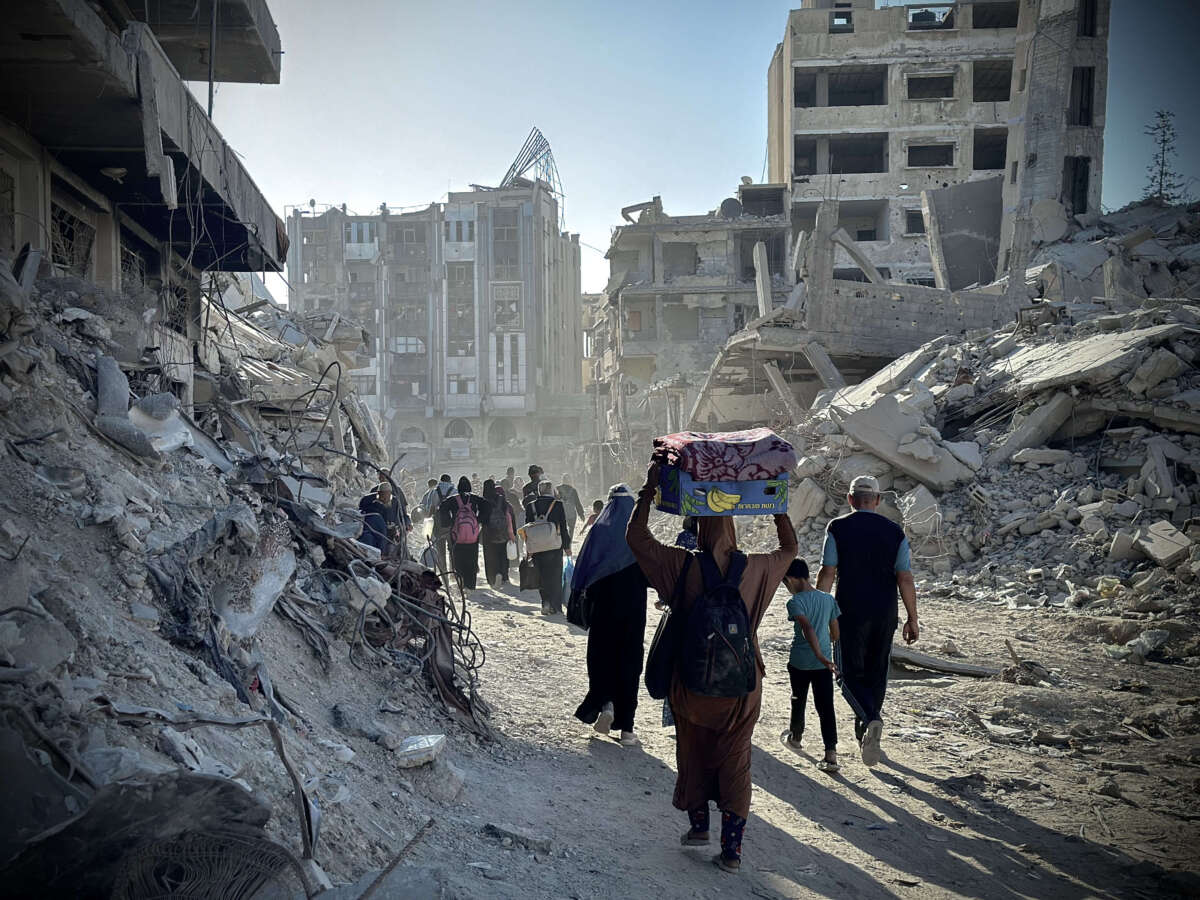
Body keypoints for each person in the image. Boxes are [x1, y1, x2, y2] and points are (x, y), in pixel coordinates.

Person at [627, 462, 797, 875]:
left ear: (700, 527)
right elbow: (789, 551)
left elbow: (636, 538)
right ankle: (732, 851)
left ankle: (699, 827)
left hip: (692, 684)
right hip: (742, 686)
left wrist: (649, 490)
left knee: (693, 750)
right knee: (736, 760)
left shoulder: (681, 565)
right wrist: (776, 505)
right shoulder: (757, 568)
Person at [816, 475, 919, 768]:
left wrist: (819, 608)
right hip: (885, 611)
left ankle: (871, 719)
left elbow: (827, 572)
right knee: (876, 674)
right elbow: (905, 577)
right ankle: (867, 732)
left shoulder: (837, 527)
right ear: (877, 500)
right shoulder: (895, 532)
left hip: (849, 610)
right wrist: (913, 618)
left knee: (847, 675)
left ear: (850, 499)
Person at [570, 485, 649, 746]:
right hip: (634, 611)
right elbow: (653, 570)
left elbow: (584, 569)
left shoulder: (600, 531)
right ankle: (627, 729)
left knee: (603, 659)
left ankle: (605, 704)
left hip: (603, 610)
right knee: (629, 662)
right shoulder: (638, 534)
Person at [781, 559, 840, 772]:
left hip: (800, 662)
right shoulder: (827, 599)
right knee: (826, 706)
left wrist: (817, 653)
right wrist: (824, 654)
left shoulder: (795, 602)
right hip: (823, 664)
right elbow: (835, 630)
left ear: (790, 579)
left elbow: (807, 628)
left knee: (798, 699)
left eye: (785, 584)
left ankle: (796, 737)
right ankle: (830, 754)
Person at [524, 479, 571, 615]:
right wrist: (567, 546)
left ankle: (545, 603)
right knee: (555, 576)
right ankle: (555, 606)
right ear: (551, 490)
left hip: (537, 547)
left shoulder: (530, 506)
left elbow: (528, 528)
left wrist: (528, 549)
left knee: (542, 576)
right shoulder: (557, 505)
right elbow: (563, 527)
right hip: (554, 546)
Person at [439, 476, 490, 591]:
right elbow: (487, 506)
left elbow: (442, 508)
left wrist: (447, 522)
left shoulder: (452, 499)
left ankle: (461, 580)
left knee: (458, 559)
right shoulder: (475, 499)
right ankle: (470, 585)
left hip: (456, 536)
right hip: (472, 537)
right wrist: (479, 519)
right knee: (472, 560)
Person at [481, 479, 516, 587]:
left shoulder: (483, 501)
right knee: (503, 554)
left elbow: (482, 518)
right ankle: (504, 576)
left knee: (490, 556)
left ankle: (493, 577)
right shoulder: (501, 499)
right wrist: (511, 532)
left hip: (488, 533)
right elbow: (507, 516)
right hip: (503, 532)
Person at [358, 481, 409, 556]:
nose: (385, 499)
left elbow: (403, 516)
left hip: (391, 536)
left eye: (387, 497)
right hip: (374, 533)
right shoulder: (368, 502)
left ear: (390, 494)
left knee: (401, 548)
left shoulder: (395, 502)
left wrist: (407, 523)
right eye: (383, 497)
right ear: (378, 494)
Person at [557, 474, 586, 542]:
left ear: (562, 480)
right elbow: (577, 503)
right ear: (570, 481)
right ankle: (569, 544)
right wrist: (581, 514)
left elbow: (554, 501)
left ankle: (562, 544)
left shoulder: (557, 489)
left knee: (562, 530)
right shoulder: (573, 490)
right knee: (571, 530)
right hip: (572, 514)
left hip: (560, 514)